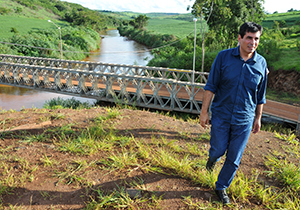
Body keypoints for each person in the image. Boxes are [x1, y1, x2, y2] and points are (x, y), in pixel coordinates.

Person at [199, 22, 268, 205]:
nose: (252, 42)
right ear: (240, 38)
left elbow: (261, 95)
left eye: (256, 39)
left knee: (234, 157)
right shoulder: (223, 57)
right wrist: (204, 112)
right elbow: (211, 86)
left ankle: (221, 186)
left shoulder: (261, 64)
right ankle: (212, 159)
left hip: (244, 119)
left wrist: (258, 118)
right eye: (249, 38)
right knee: (219, 149)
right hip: (221, 115)